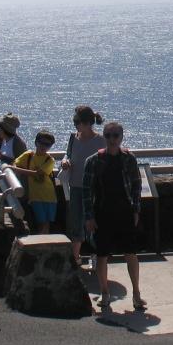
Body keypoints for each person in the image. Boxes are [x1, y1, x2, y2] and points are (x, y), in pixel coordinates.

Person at [81, 121, 145, 311]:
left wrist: (136, 210)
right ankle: (105, 293)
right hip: (102, 213)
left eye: (115, 135)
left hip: (125, 213)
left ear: (121, 137)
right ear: (104, 137)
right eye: (108, 135)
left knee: (130, 253)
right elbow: (86, 191)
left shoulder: (129, 159)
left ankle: (136, 294)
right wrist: (89, 217)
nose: (112, 139)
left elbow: (136, 185)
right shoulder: (93, 161)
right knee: (102, 255)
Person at [61, 105, 105, 267]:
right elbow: (68, 154)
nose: (75, 125)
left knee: (93, 222)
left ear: (87, 123)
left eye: (77, 121)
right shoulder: (73, 137)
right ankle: (75, 258)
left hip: (93, 188)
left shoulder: (100, 140)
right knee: (76, 222)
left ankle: (95, 256)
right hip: (76, 186)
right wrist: (65, 161)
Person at [13, 130, 58, 234]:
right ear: (36, 142)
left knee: (46, 223)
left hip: (49, 196)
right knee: (40, 222)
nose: (44, 146)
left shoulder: (50, 160)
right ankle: (42, 240)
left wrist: (16, 169)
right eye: (41, 143)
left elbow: (37, 173)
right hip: (35, 196)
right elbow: (15, 163)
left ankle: (44, 241)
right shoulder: (28, 155)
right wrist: (14, 168)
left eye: (47, 144)